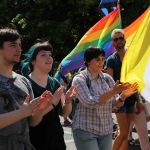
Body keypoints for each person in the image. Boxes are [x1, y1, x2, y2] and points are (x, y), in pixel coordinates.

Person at [71, 46, 138, 150]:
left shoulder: (107, 78)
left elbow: (115, 105)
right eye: (97, 59)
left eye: (103, 59)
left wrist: (123, 96)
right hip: (85, 130)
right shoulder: (79, 79)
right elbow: (90, 102)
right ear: (88, 61)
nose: (101, 62)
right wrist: (113, 92)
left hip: (105, 131)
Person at [0, 28, 53, 150]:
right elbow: (22, 113)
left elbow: (33, 122)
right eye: (13, 45)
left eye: (19, 45)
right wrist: (21, 113)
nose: (19, 49)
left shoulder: (23, 81)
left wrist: (39, 109)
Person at [21, 40, 76, 150]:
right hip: (35, 141)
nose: (49, 58)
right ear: (33, 61)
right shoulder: (25, 83)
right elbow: (31, 121)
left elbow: (64, 113)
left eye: (50, 55)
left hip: (56, 139)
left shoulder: (54, 82)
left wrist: (69, 101)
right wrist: (52, 102)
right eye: (43, 55)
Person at [105, 29, 150, 150]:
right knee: (123, 135)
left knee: (143, 134)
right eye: (116, 39)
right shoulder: (111, 60)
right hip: (120, 101)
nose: (119, 41)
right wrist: (114, 101)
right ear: (113, 43)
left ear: (125, 39)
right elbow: (109, 83)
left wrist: (140, 100)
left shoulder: (133, 56)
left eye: (121, 38)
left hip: (134, 101)